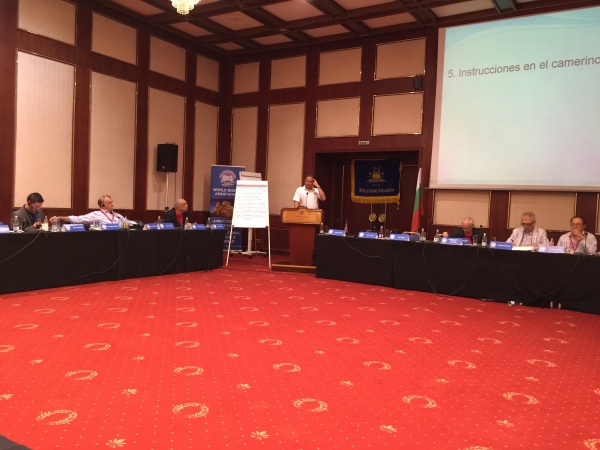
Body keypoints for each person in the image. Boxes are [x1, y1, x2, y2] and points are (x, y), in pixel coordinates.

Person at [50, 195, 136, 227]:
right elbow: (77, 219)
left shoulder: (116, 215)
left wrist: (139, 224)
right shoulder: (95, 215)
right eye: (109, 203)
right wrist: (59, 217)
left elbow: (127, 222)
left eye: (112, 202)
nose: (112, 204)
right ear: (102, 205)